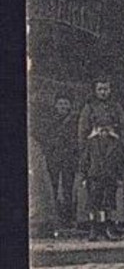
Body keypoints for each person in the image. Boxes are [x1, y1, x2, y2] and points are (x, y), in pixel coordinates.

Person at [75, 78, 124, 230]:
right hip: (94, 152)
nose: (103, 92)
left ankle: (112, 222)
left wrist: (121, 146)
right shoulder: (89, 107)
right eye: (100, 89)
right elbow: (82, 131)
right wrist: (86, 148)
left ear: (110, 90)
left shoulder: (116, 107)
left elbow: (122, 127)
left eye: (106, 89)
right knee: (93, 194)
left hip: (112, 147)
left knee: (110, 194)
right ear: (95, 91)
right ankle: (91, 224)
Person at [39, 92, 79, 230]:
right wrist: (49, 149)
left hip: (69, 159)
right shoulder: (50, 122)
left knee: (68, 189)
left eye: (66, 104)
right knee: (53, 188)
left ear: (70, 106)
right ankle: (54, 219)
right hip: (54, 158)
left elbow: (78, 139)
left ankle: (68, 219)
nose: (63, 106)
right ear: (55, 105)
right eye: (60, 103)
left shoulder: (74, 122)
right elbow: (43, 138)